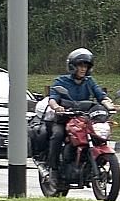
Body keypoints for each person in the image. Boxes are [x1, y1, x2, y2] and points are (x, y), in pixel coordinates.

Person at [43, 48, 114, 188]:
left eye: (85, 66)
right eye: (80, 65)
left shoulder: (89, 81)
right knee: (57, 135)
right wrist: (57, 107)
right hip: (64, 118)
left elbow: (101, 96)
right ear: (72, 66)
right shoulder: (61, 81)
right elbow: (53, 99)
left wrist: (110, 105)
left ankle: (91, 164)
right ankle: (53, 170)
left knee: (96, 135)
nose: (83, 69)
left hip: (83, 120)